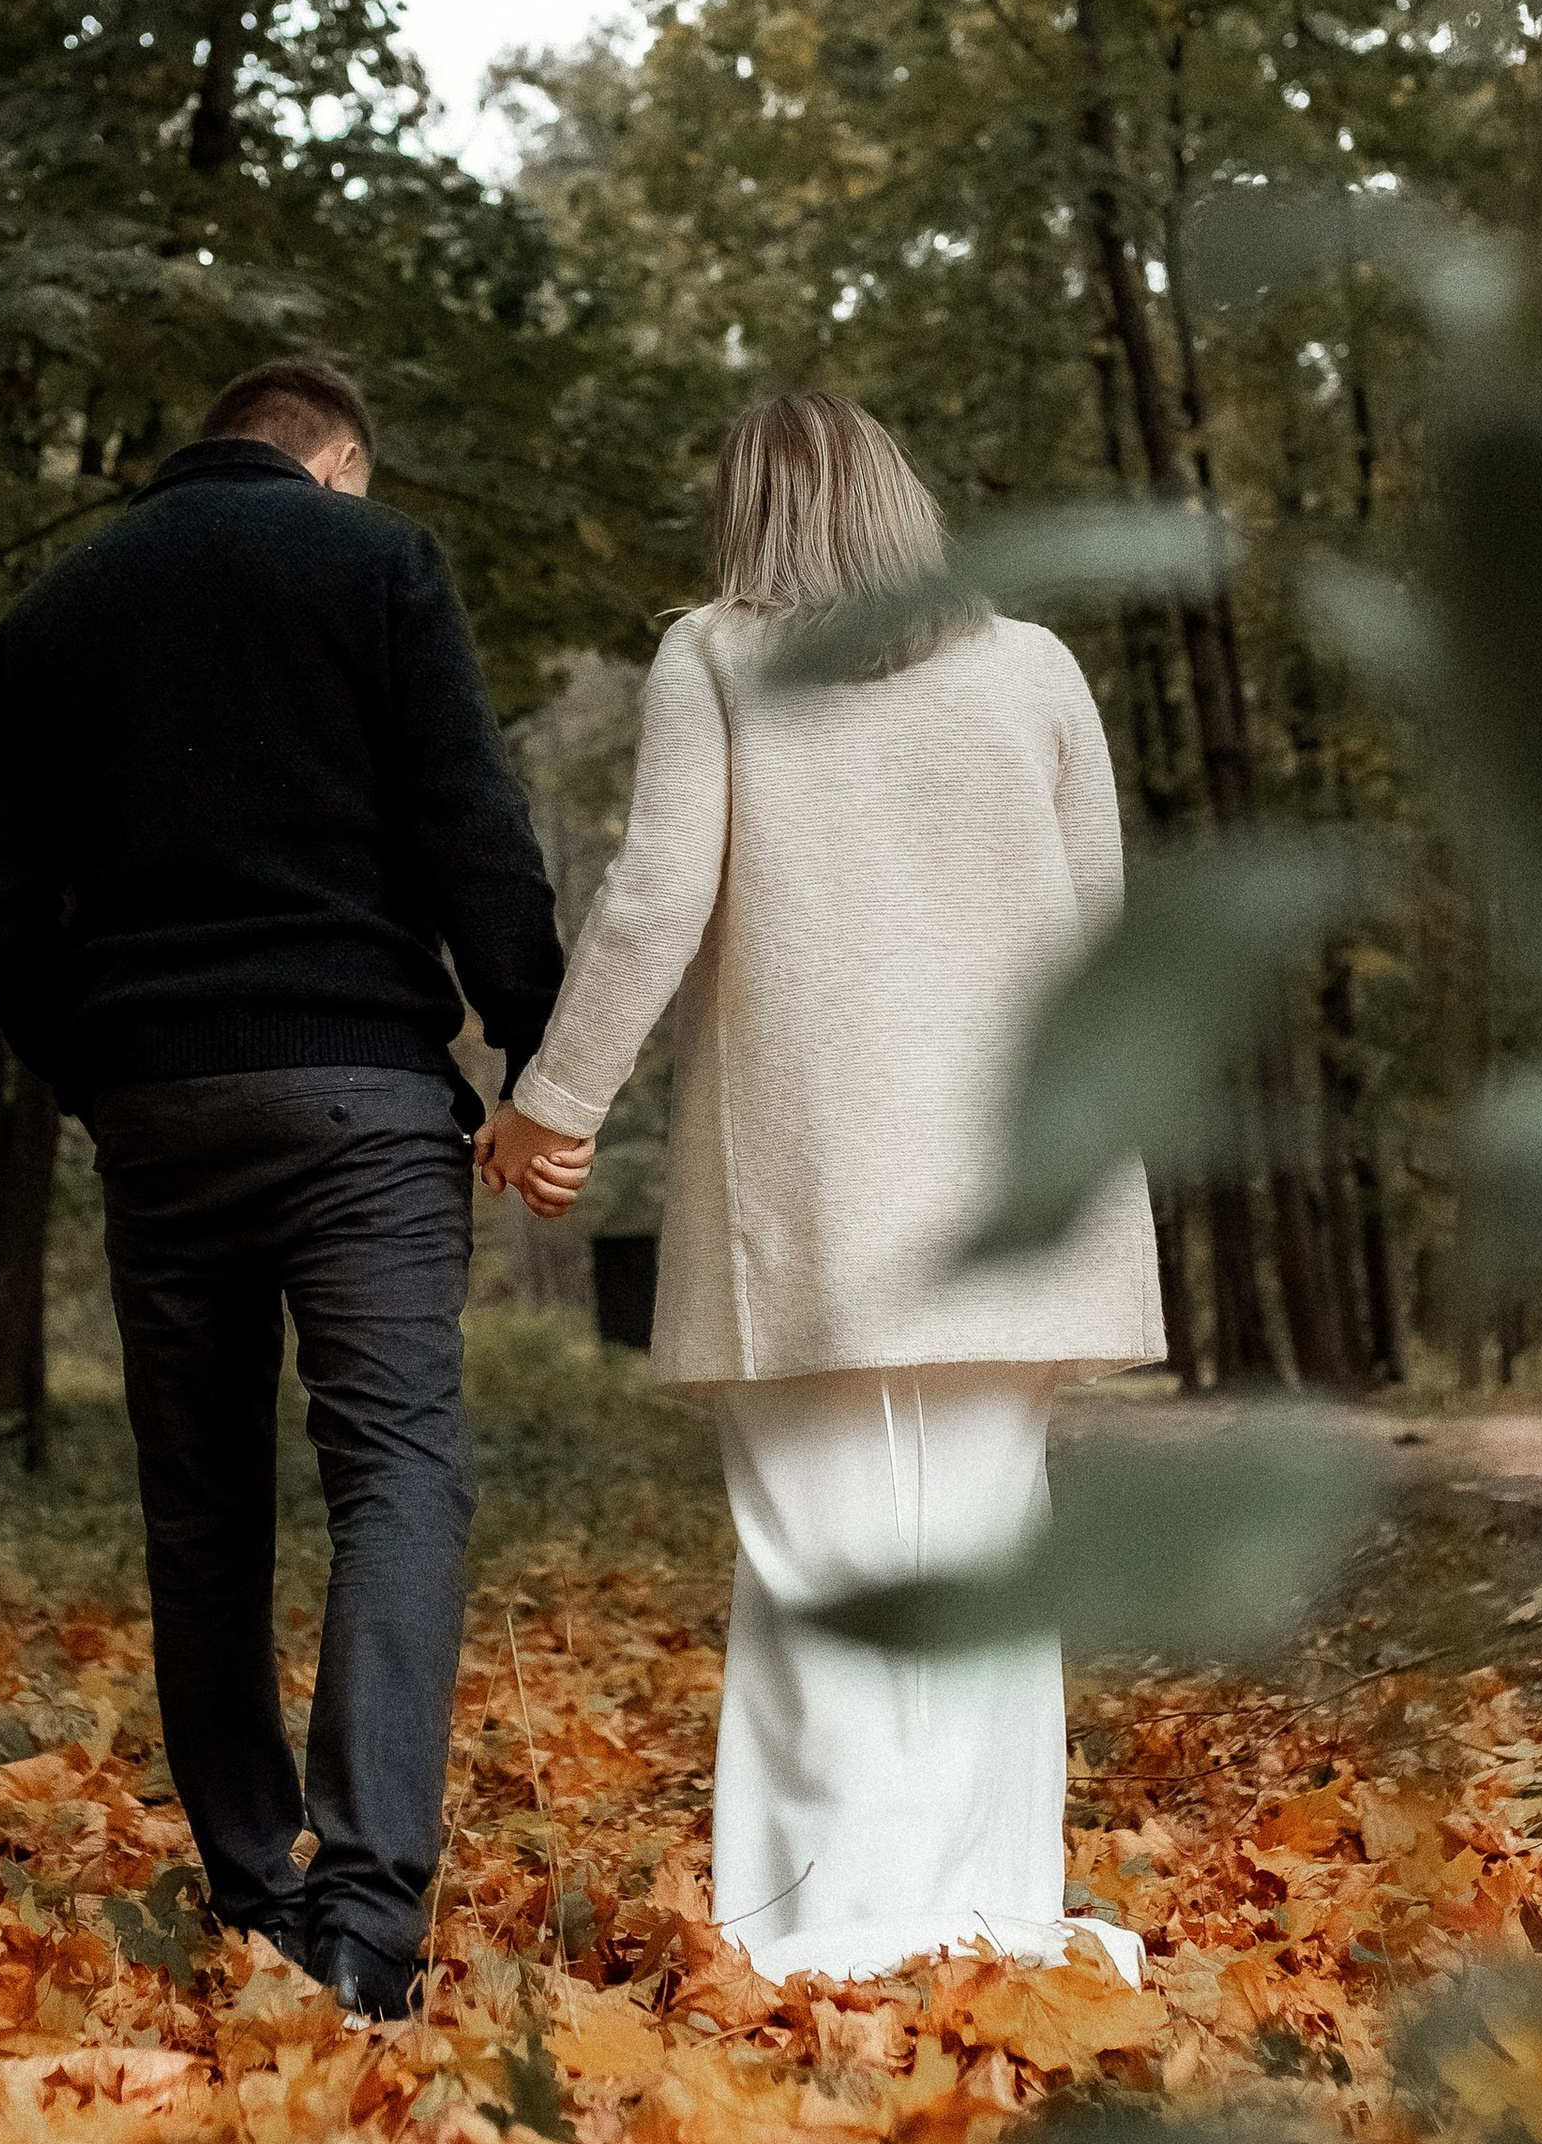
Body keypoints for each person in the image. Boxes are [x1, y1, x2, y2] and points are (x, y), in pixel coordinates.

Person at [478, 393, 1163, 1991]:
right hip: (1022, 1193)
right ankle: (992, 1911)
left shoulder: (718, 658)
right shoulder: (1037, 672)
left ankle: (826, 1921)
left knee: (818, 1554)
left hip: (819, 1195)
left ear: (751, 514)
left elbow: (654, 896)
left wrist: (550, 1107)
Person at [0, 358, 573, 2020]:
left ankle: (252, 1886)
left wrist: (95, 1064)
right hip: (359, 1095)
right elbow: (469, 828)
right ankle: (362, 1925)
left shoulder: (56, 614)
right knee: (397, 1474)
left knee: (204, 1506)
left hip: (160, 1107)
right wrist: (537, 1055)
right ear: (335, 455)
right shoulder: (374, 564)